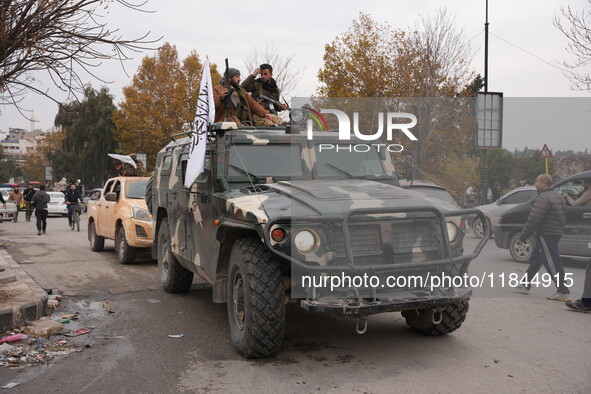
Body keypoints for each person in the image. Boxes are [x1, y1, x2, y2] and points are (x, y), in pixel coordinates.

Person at [515, 174, 571, 301]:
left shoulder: (543, 198)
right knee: (536, 259)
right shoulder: (558, 196)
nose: (535, 183)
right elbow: (563, 217)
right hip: (555, 232)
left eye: (537, 181)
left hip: (547, 234)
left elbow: (534, 220)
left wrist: (523, 237)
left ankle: (563, 291)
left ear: (544, 183)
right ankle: (525, 284)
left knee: (552, 262)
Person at [213, 67, 282, 127]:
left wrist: (264, 113)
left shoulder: (240, 90)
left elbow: (253, 103)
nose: (239, 79)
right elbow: (212, 105)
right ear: (229, 78)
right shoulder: (217, 89)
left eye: (239, 76)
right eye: (237, 77)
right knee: (269, 124)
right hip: (229, 124)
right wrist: (221, 97)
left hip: (244, 122)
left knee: (276, 120)